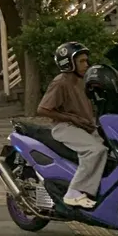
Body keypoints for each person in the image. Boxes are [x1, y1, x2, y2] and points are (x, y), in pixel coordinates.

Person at [37, 42, 106, 209]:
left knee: (111, 148)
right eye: (82, 61)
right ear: (68, 63)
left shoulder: (84, 80)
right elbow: (43, 109)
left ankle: (95, 190)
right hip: (65, 128)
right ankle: (73, 193)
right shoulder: (61, 82)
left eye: (86, 61)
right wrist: (71, 118)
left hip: (86, 127)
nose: (86, 65)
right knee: (94, 150)